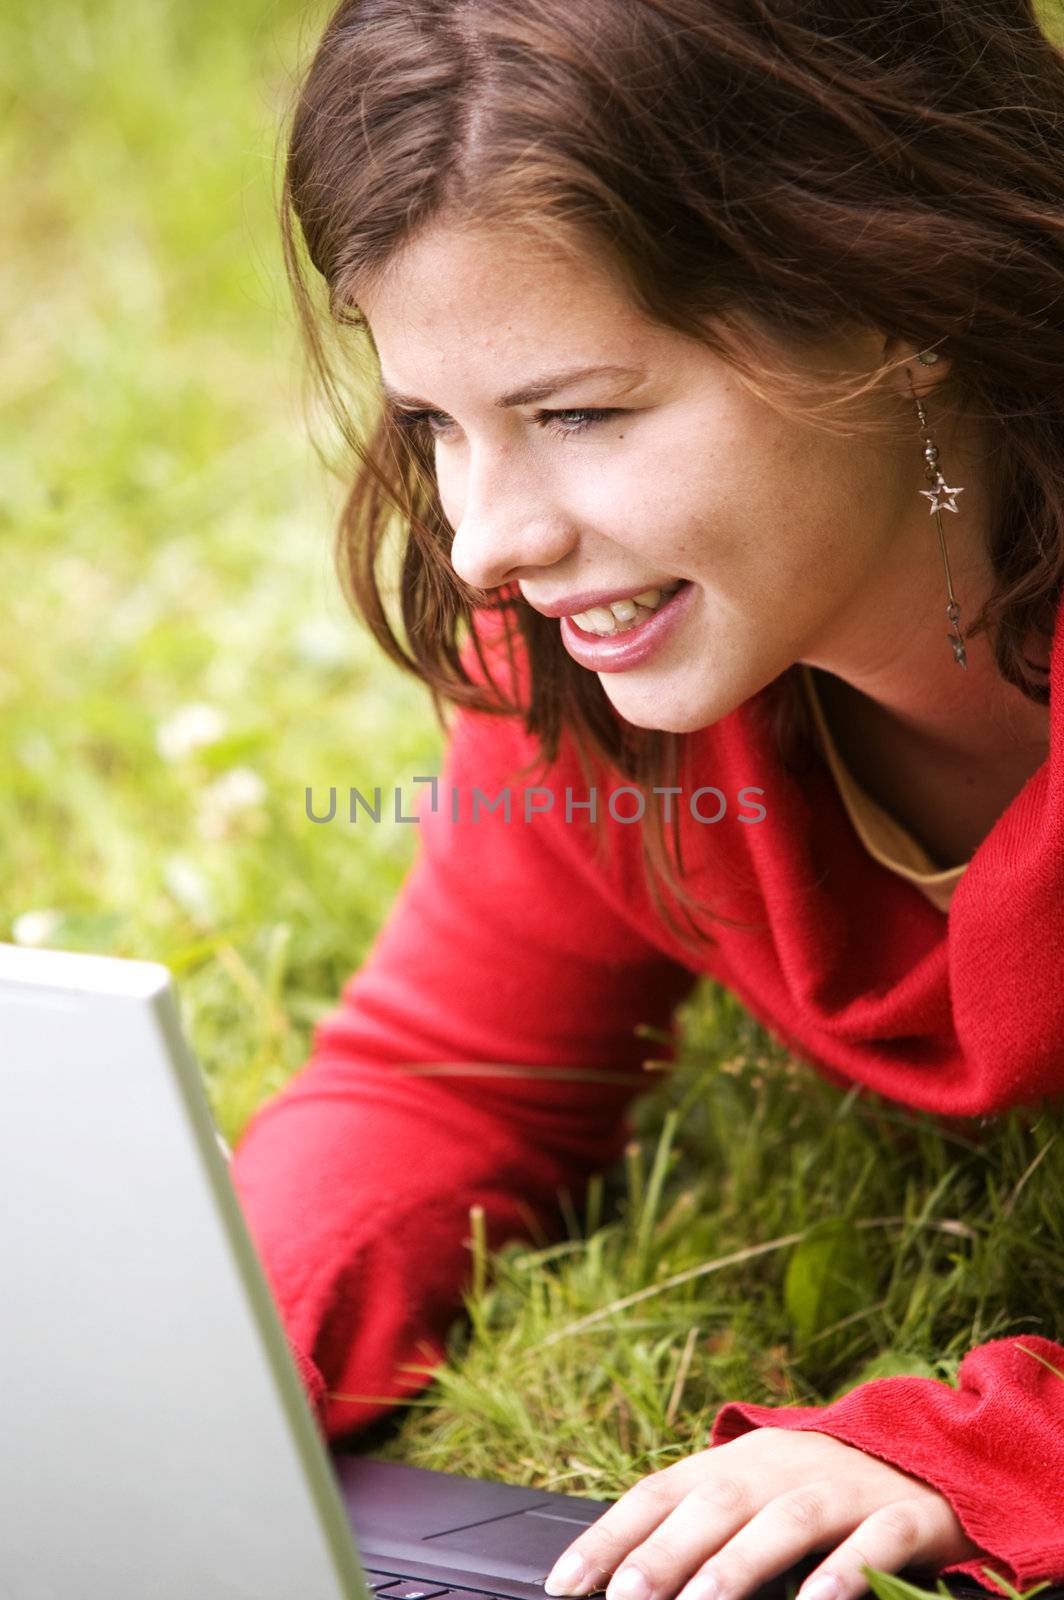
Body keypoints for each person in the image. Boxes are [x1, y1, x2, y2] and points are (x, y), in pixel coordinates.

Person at [231, 2, 1064, 1598]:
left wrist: (977, 1445)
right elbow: (448, 1076)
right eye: (433, 425)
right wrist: (157, 1373)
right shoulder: (602, 667)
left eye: (580, 413)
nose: (485, 539)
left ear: (906, 308)